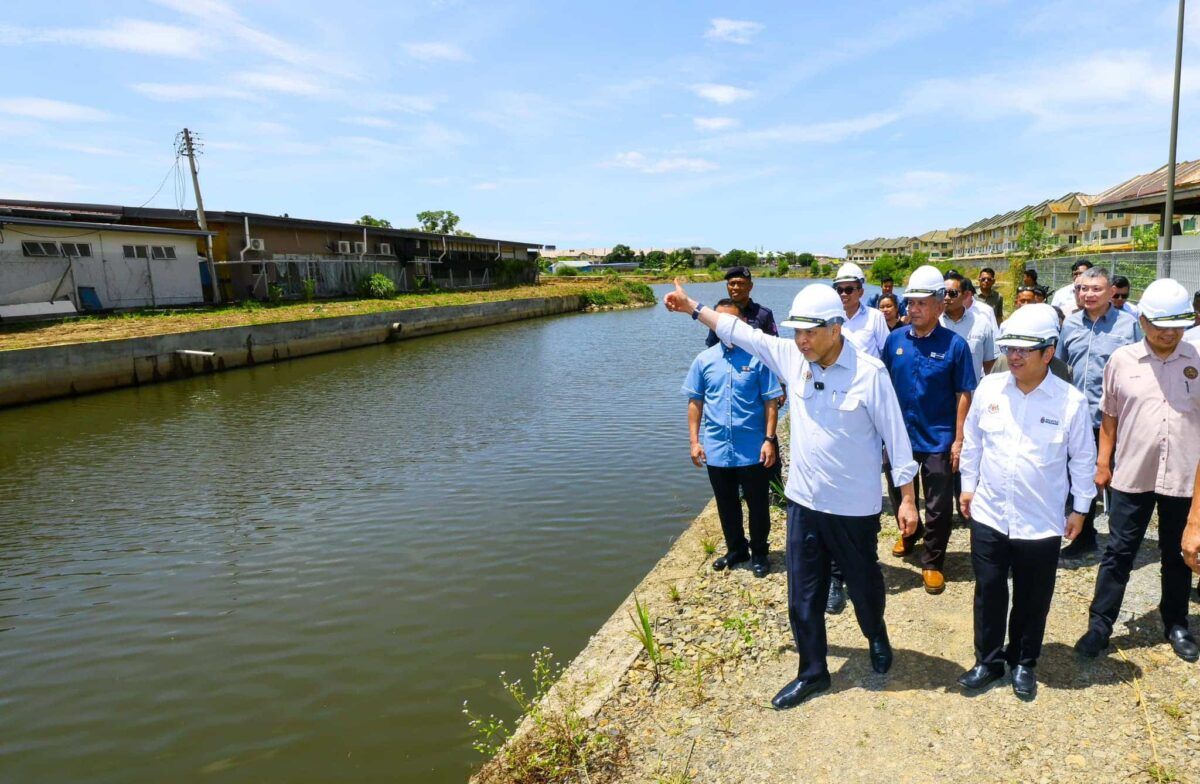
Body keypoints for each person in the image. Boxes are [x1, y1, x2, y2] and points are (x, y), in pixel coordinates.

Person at [663, 279, 920, 710]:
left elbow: (897, 440)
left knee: (864, 586)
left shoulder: (869, 373)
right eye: (796, 331)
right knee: (803, 595)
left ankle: (875, 633)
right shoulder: (791, 356)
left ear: (836, 328)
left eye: (810, 332)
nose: (800, 340)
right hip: (803, 502)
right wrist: (693, 307)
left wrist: (907, 499)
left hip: (854, 508)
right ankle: (813, 671)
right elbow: (740, 332)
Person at [957, 304, 1096, 699]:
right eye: (1010, 349)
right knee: (988, 590)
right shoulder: (989, 389)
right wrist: (969, 487)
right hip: (990, 513)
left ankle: (1023, 662)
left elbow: (1083, 459)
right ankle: (988, 660)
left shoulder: (1069, 402)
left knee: (1033, 598)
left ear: (1048, 352)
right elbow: (973, 444)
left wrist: (1081, 508)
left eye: (1024, 350)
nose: (1013, 357)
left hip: (1041, 520)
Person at [1075, 279, 1200, 663]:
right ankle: (1100, 624)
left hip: (1183, 476)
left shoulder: (1197, 359)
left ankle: (1176, 622)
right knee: (1119, 552)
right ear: (1142, 321)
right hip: (1132, 475)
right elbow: (1109, 415)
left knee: (1176, 555)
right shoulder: (1122, 360)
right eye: (1161, 324)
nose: (1169, 332)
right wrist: (1102, 462)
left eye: (1178, 324)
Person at [883, 265, 976, 595]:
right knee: (900, 492)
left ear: (939, 304)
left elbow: (964, 392)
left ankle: (933, 560)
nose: (915, 309)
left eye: (922, 302)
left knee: (937, 505)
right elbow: (882, 388)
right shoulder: (894, 341)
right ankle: (909, 533)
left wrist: (960, 439)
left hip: (938, 436)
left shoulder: (955, 346)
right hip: (900, 437)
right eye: (911, 302)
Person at [684, 299, 784, 578]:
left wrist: (769, 439)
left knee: (758, 504)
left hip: (753, 448)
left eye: (732, 322)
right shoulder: (704, 360)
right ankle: (736, 549)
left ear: (742, 326)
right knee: (726, 504)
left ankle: (761, 553)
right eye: (720, 321)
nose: (725, 327)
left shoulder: (758, 359)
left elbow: (770, 402)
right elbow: (695, 402)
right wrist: (694, 441)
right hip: (716, 448)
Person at [1057, 266, 1141, 557]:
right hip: (1079, 417)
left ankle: (1121, 543)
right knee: (1082, 477)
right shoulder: (1069, 325)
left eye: (1096, 289)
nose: (1088, 294)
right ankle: (1085, 535)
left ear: (1110, 292)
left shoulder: (1128, 325)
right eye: (1083, 289)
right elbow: (1059, 368)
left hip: (1117, 418)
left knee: (1119, 479)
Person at [941, 272, 997, 384]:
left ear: (966, 295)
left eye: (952, 293)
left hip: (972, 396)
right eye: (943, 293)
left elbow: (990, 366)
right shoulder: (933, 323)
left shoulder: (982, 324)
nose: (946, 297)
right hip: (939, 398)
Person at [705, 266, 777, 347]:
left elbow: (773, 347)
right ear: (727, 286)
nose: (735, 288)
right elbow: (712, 344)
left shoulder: (763, 314)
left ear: (750, 286)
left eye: (740, 283)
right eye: (732, 283)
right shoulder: (720, 312)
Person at [832, 262, 891, 359]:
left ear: (861, 292)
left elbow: (886, 350)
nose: (843, 294)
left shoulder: (875, 316)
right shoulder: (831, 319)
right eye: (839, 290)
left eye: (849, 290)